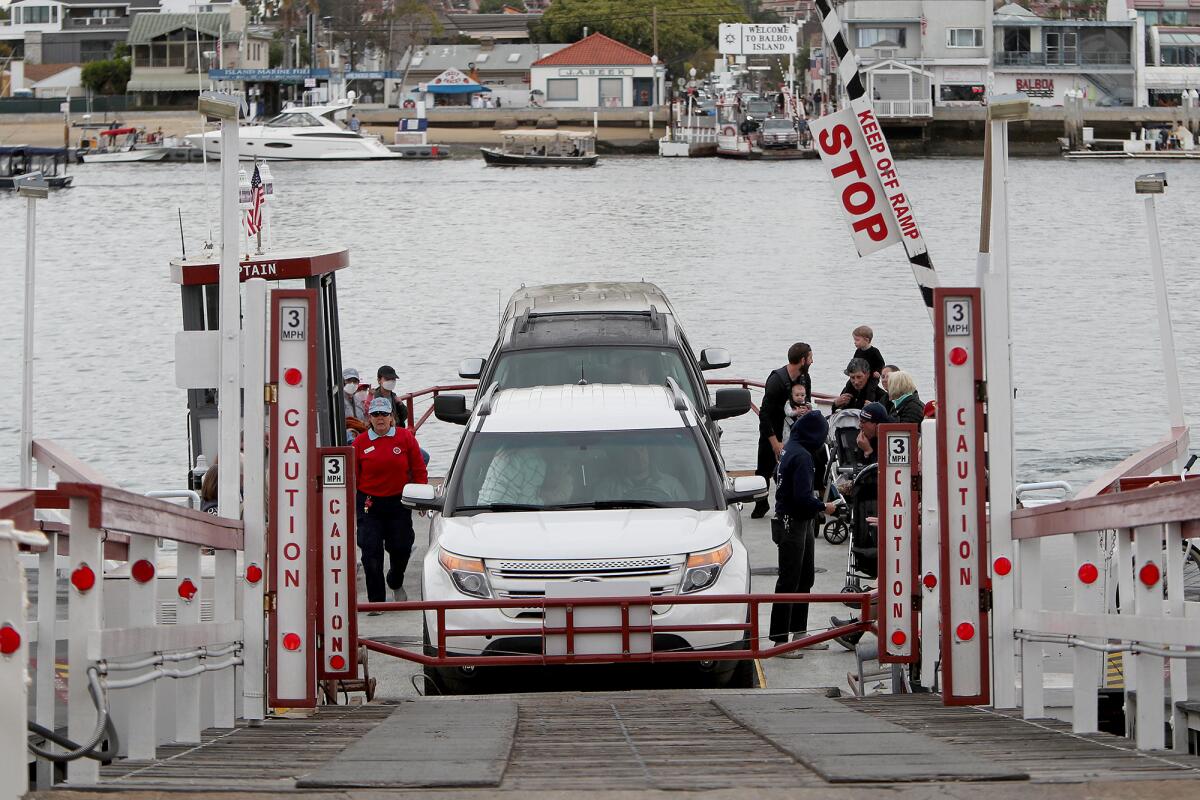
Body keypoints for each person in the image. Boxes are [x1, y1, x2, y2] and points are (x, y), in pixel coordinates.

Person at [770, 410, 838, 653]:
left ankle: (799, 632)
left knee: (804, 576)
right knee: (789, 580)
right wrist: (824, 507)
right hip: (793, 523)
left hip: (801, 522)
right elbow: (801, 498)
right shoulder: (802, 457)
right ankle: (780, 640)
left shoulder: (791, 447)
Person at [353, 396, 428, 608]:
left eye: (384, 414)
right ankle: (376, 603)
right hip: (370, 503)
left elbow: (419, 469)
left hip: (398, 501)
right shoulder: (360, 443)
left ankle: (395, 580)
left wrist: (421, 497)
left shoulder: (405, 438)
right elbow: (354, 476)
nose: (380, 419)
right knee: (371, 554)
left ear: (391, 417)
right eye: (375, 415)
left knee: (401, 547)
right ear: (370, 418)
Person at [754, 342, 814, 518]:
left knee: (796, 468)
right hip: (772, 429)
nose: (812, 361)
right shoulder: (776, 381)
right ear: (802, 360)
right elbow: (764, 415)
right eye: (810, 358)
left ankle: (795, 501)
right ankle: (761, 504)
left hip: (794, 431)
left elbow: (806, 401)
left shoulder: (804, 378)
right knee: (764, 469)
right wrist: (775, 443)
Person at [343, 367, 368, 444]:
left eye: (355, 381)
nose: (352, 384)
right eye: (349, 381)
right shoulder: (337, 400)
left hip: (359, 434)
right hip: (346, 436)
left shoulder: (358, 400)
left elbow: (364, 418)